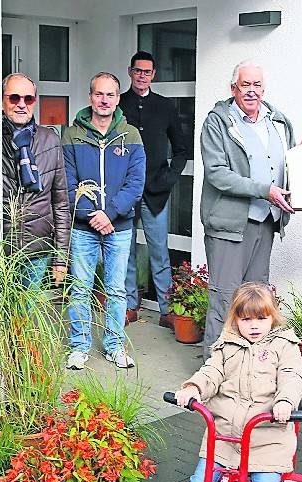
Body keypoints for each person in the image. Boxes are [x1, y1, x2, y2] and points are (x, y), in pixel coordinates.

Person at [164, 282, 302, 482]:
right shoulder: (226, 346)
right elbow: (211, 372)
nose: (254, 326)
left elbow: (293, 377)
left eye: (261, 319)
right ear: (235, 319)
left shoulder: (284, 347)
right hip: (224, 438)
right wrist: (193, 388)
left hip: (267, 438)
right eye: (246, 319)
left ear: (273, 317)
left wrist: (285, 402)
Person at [199, 61, 298, 351]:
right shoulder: (218, 122)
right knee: (226, 296)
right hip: (230, 224)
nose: (252, 91)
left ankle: (249, 367)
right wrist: (264, 190)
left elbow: (289, 162)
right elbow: (217, 173)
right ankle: (213, 368)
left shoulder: (278, 121)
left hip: (266, 222)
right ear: (233, 88)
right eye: (245, 85)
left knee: (255, 299)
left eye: (257, 85)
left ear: (263, 89)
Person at [62, 72, 145, 370]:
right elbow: (67, 182)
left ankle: (114, 346)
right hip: (83, 227)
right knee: (80, 287)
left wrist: (109, 214)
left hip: (118, 226)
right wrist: (91, 216)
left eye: (110, 95)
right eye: (99, 94)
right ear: (90, 97)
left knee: (116, 288)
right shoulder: (72, 135)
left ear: (118, 99)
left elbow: (136, 184)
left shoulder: (131, 135)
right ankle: (79, 346)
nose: (104, 100)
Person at [121, 51, 191, 329]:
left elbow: (182, 149)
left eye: (147, 72)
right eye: (138, 71)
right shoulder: (119, 103)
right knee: (125, 250)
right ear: (130, 72)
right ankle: (129, 305)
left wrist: (170, 178)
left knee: (159, 251)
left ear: (153, 75)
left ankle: (166, 309)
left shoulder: (165, 106)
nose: (142, 76)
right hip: (125, 191)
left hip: (156, 192)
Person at [0, 73, 71, 287]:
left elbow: (60, 203)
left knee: (26, 317)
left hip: (36, 251)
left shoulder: (50, 140)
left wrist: (61, 257)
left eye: (28, 99)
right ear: (3, 100)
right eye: (14, 98)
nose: (22, 104)